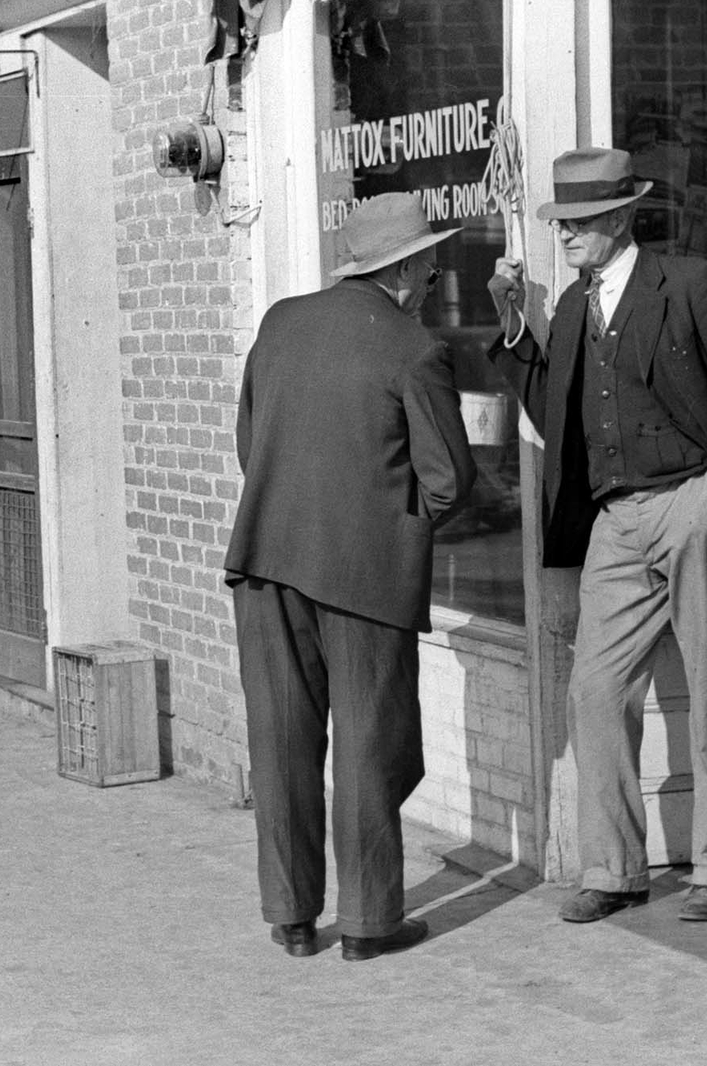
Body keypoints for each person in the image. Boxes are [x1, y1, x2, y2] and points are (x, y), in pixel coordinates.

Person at [486, 147, 707, 924]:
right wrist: (515, 329)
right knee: (594, 691)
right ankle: (614, 869)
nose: (566, 235)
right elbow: (558, 418)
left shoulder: (688, 286)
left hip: (693, 502)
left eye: (582, 221)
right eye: (560, 223)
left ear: (623, 217)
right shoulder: (571, 308)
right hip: (616, 522)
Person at [224, 192, 476, 961]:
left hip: (266, 562)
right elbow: (449, 482)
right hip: (364, 578)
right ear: (402, 270)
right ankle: (368, 924)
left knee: (280, 744)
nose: (432, 279)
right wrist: (390, 526)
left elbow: (249, 442)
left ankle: (291, 917)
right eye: (428, 267)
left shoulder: (280, 323)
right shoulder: (414, 349)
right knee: (369, 746)